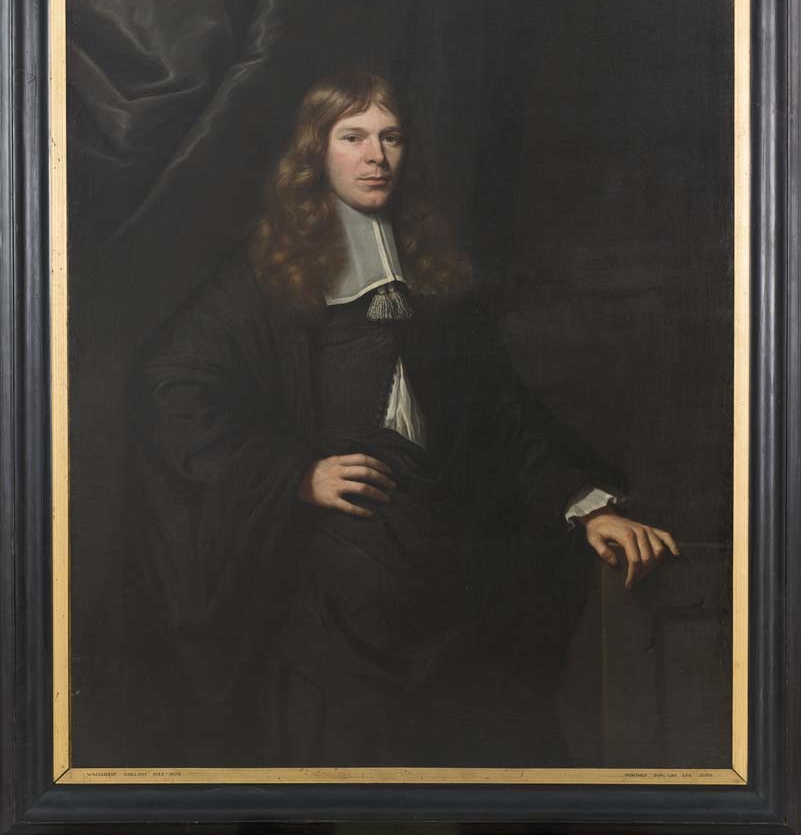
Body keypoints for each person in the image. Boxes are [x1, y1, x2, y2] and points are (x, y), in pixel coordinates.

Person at [129, 68, 679, 768]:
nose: (375, 156)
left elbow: (502, 415)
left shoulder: (429, 268)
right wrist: (295, 474)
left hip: (444, 542)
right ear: (316, 151)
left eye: (390, 137)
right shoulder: (268, 270)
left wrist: (588, 506)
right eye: (352, 137)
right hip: (335, 560)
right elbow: (169, 385)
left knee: (495, 685)